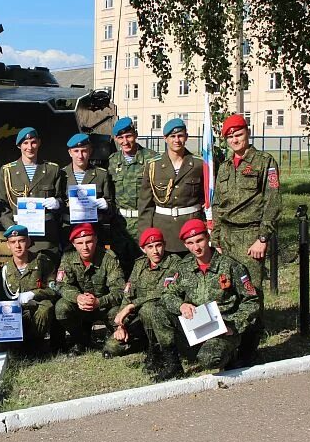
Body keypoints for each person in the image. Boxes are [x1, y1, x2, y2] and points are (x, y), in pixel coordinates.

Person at [211, 114, 282, 365]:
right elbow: (218, 204)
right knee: (228, 290)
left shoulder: (264, 162)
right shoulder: (226, 165)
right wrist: (216, 236)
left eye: (238, 134)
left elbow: (273, 201)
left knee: (251, 291)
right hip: (227, 238)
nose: (234, 140)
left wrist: (263, 238)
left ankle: (250, 349)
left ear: (247, 133)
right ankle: (232, 343)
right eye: (229, 137)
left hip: (250, 236)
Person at [161, 219, 260, 372]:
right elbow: (167, 293)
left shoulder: (231, 266)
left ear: (208, 238)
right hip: (195, 325)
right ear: (185, 245)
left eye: (199, 240)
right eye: (191, 243)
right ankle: (173, 365)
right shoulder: (183, 268)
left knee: (209, 359)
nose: (196, 247)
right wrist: (181, 305)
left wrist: (234, 326)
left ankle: (230, 354)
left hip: (223, 327)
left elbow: (251, 301)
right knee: (157, 312)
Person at [118, 227, 183, 381]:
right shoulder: (139, 264)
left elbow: (162, 292)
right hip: (140, 316)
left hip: (165, 316)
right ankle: (147, 345)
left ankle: (157, 352)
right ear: (143, 249)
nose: (155, 251)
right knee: (113, 347)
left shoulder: (174, 263)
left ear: (164, 245)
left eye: (158, 245)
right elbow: (128, 293)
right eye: (150, 247)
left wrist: (132, 306)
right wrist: (120, 323)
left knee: (149, 309)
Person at [54, 223, 125, 356]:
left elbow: (120, 290)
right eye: (80, 243)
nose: (85, 247)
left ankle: (112, 335)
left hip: (104, 307)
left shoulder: (108, 258)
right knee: (61, 308)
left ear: (96, 240)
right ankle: (81, 339)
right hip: (80, 306)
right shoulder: (68, 257)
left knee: (117, 313)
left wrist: (99, 301)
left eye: (89, 242)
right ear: (74, 244)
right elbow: (61, 285)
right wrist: (77, 297)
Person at [138, 118, 205, 254]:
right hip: (163, 231)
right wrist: (145, 235)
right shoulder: (153, 166)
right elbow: (145, 205)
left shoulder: (199, 164)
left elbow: (208, 200)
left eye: (180, 136)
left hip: (192, 230)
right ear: (165, 138)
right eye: (172, 136)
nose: (177, 140)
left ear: (186, 137)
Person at [106, 116, 159, 275]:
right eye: (120, 138)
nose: (125, 141)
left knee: (144, 266)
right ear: (116, 139)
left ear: (135, 134)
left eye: (128, 136)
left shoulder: (152, 159)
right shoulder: (113, 161)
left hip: (143, 221)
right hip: (120, 225)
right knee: (120, 267)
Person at [0, 127, 62, 256]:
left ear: (39, 142)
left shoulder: (52, 169)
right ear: (19, 146)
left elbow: (62, 198)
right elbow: (2, 204)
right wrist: (10, 227)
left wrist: (57, 203)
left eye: (33, 142)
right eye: (25, 143)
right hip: (18, 238)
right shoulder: (7, 171)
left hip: (45, 237)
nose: (30, 147)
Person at [0, 224, 59, 354]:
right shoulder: (3, 270)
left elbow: (54, 289)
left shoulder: (42, 262)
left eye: (21, 241)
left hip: (36, 310)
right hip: (16, 315)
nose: (17, 246)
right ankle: (19, 344)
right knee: (7, 348)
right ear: (8, 245)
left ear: (28, 241)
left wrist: (34, 293)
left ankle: (36, 343)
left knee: (46, 307)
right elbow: (1, 301)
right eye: (13, 242)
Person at [58, 133, 112, 245]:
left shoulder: (101, 175)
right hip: (69, 229)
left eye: (84, 150)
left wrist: (106, 204)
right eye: (76, 151)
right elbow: (59, 200)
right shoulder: (61, 174)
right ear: (70, 152)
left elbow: (111, 203)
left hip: (94, 229)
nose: (80, 155)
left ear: (90, 151)